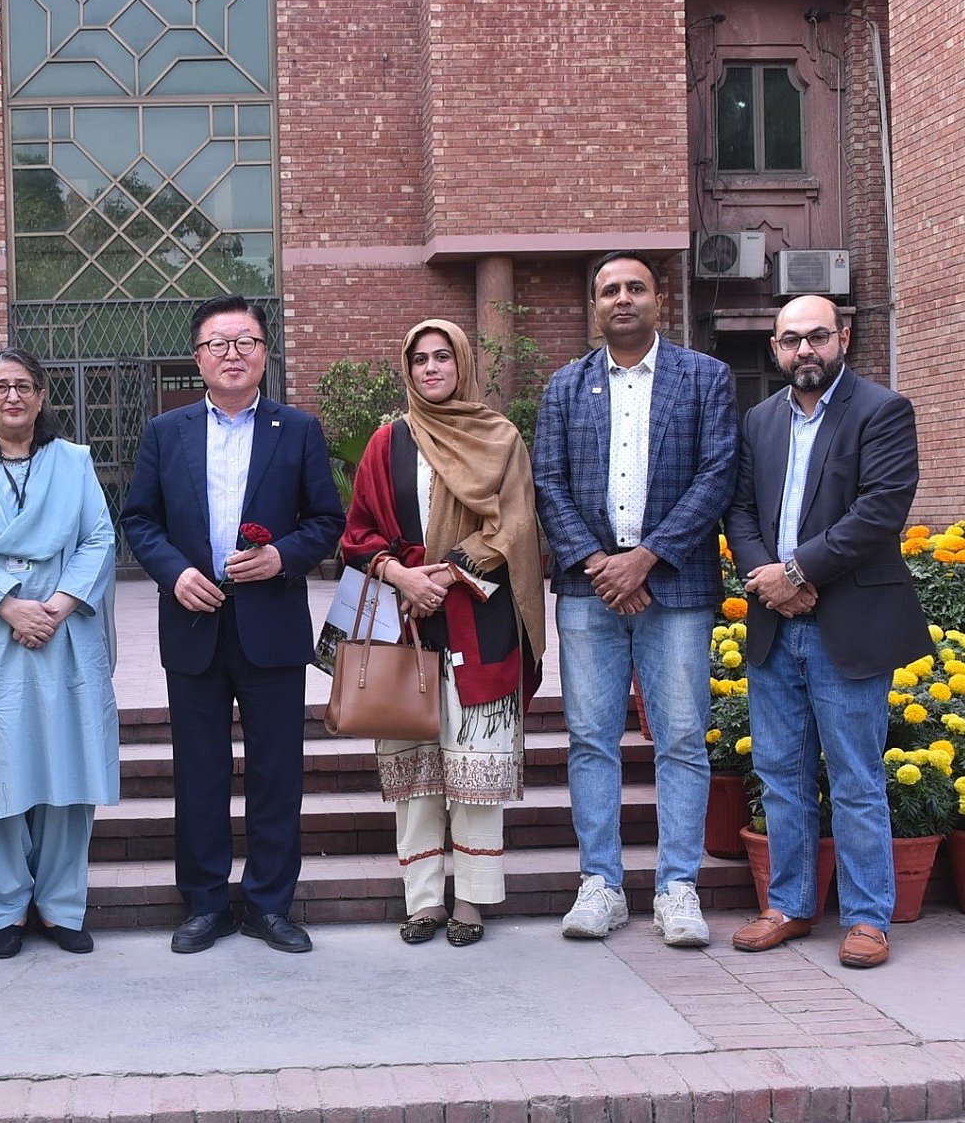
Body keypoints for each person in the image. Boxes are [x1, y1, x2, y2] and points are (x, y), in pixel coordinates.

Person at [122, 294, 345, 955]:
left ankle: (270, 905)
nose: (232, 354)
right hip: (193, 625)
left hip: (271, 626)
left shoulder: (296, 429)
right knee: (200, 774)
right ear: (198, 358)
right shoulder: (167, 432)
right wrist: (173, 573)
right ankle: (206, 904)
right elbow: (139, 519)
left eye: (245, 341)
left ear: (264, 354)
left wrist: (283, 556)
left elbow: (326, 520)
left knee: (278, 772)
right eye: (218, 343)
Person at [532, 252, 738, 948]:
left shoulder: (705, 377)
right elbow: (548, 482)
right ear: (594, 306)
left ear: (658, 300)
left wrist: (645, 558)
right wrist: (600, 564)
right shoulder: (566, 386)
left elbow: (717, 475)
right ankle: (601, 883)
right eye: (608, 290)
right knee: (591, 738)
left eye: (634, 288)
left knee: (680, 739)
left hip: (674, 587)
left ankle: (678, 887)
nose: (622, 298)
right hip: (589, 591)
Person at [725, 295, 928, 969]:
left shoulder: (881, 410)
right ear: (775, 349)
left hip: (848, 623)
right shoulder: (759, 420)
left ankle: (868, 918)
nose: (803, 349)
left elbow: (880, 511)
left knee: (855, 779)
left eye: (816, 336)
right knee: (780, 775)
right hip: (775, 625)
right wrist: (769, 580)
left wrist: (797, 572)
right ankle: (788, 905)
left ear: (843, 336)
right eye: (790, 340)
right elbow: (739, 510)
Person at [341, 319, 545, 945]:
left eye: (442, 357)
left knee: (476, 771)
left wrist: (450, 571)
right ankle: (424, 901)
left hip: (479, 620)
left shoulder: (499, 438)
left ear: (462, 364)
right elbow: (358, 533)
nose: (430, 368)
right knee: (417, 774)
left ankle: (473, 902)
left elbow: (515, 524)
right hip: (407, 625)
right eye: (420, 359)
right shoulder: (389, 442)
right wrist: (404, 576)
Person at [0, 348, 119, 959]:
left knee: (67, 773)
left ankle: (62, 907)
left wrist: (55, 607)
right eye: (1, 386)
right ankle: (4, 909)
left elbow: (99, 537)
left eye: (24, 386)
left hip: (64, 637)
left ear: (40, 396)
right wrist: (9, 606)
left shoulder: (74, 462)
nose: (13, 396)